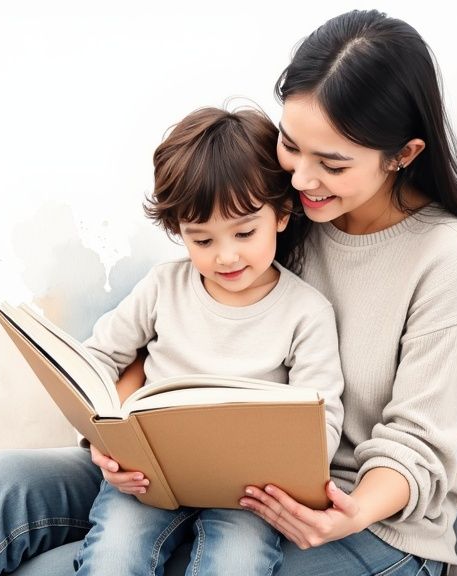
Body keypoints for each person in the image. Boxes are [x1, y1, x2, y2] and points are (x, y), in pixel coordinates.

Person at [0, 9, 457, 576]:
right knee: (6, 484)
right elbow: (166, 332)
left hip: (361, 525)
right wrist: (116, 439)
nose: (302, 179)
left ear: (403, 153)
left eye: (332, 163)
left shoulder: (444, 258)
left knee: (54, 569)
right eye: (291, 144)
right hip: (193, 471)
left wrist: (347, 514)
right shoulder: (276, 210)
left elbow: (418, 444)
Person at [72, 105, 344, 576]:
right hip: (151, 477)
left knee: (236, 564)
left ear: (281, 214)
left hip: (251, 495)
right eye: (202, 241)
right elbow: (95, 359)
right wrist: (104, 436)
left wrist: (287, 467)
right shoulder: (163, 287)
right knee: (112, 557)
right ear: (179, 232)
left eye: (244, 232)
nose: (226, 256)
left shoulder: (306, 312)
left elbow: (323, 423)